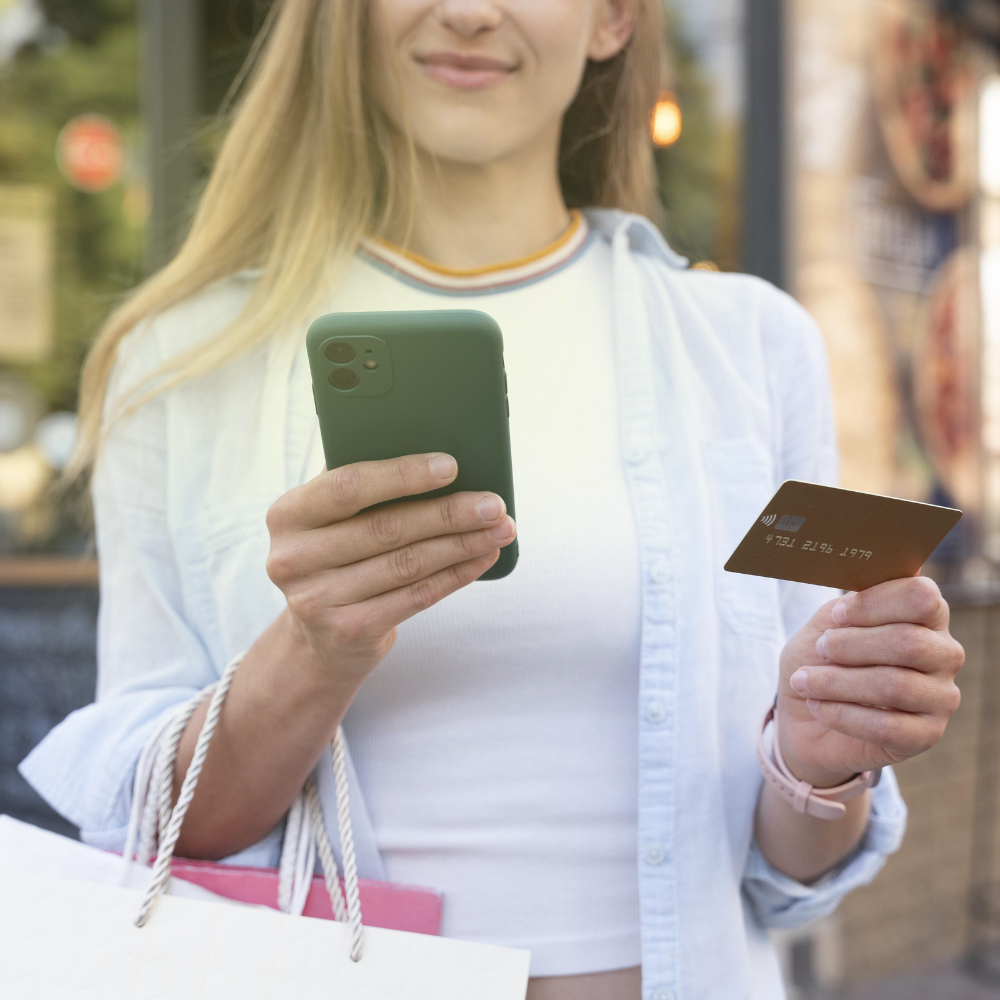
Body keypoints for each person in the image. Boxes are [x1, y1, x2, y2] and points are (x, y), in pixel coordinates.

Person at [22, 2, 964, 997]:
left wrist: (820, 757)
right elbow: (161, 832)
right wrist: (314, 649)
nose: (469, 12)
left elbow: (790, 873)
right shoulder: (182, 361)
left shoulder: (750, 347)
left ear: (611, 20)